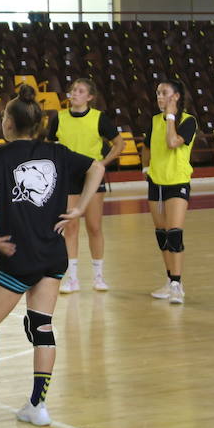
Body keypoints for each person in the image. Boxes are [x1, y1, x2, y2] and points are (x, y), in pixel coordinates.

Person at [0, 85, 105, 428]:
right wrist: (80, 210)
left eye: (2, 117)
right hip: (52, 255)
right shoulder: (57, 153)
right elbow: (98, 169)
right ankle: (37, 405)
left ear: (10, 125)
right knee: (40, 327)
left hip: (19, 256)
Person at [47, 78, 127, 293]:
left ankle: (98, 275)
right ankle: (72, 278)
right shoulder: (59, 119)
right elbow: (48, 147)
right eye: (73, 90)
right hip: (68, 177)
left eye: (80, 91)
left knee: (94, 226)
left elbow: (120, 143)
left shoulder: (99, 118)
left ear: (90, 97)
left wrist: (102, 164)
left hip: (92, 175)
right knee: (70, 226)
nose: (74, 93)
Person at [139, 78, 197, 305]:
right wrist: (146, 167)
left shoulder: (188, 121)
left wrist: (171, 117)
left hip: (177, 181)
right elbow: (146, 146)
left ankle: (177, 284)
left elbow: (172, 142)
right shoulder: (154, 121)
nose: (159, 97)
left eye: (164, 93)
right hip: (156, 183)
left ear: (176, 97)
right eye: (157, 94)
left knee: (174, 233)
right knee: (162, 234)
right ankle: (169, 279)